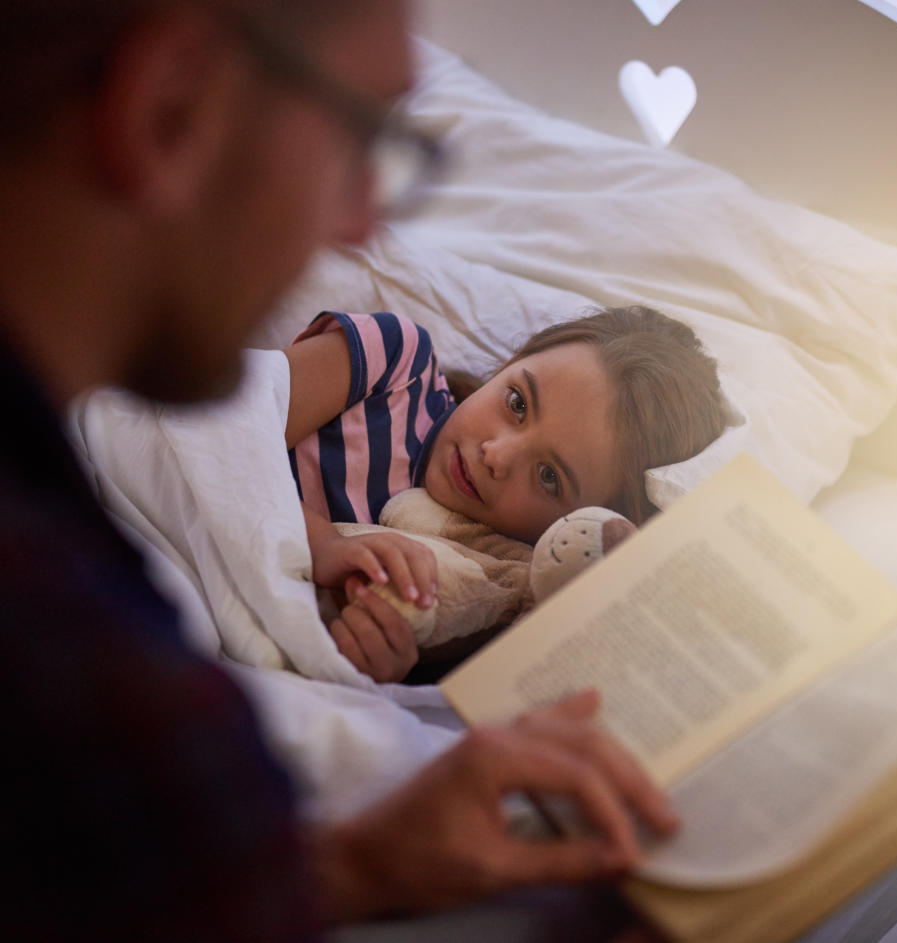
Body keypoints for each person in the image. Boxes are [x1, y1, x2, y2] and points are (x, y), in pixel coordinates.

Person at [0, 0, 678, 938]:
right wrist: (305, 543)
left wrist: (359, 853)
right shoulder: (126, 714)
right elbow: (233, 431)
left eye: (553, 477)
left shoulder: (482, 578)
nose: (362, 228)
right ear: (167, 100)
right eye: (357, 136)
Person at [285, 305, 727, 681]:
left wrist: (378, 661)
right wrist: (318, 544)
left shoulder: (483, 598)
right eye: (517, 403)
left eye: (549, 476)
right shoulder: (392, 365)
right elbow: (226, 420)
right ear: (510, 362)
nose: (496, 455)